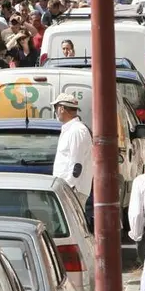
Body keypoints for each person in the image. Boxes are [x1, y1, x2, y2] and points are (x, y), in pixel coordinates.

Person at [52, 93, 94, 227]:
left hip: (72, 190)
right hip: (67, 188)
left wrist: (68, 189)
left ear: (61, 109)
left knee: (73, 227)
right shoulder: (70, 129)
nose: (56, 111)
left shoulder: (77, 131)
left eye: (56, 107)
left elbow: (77, 165)